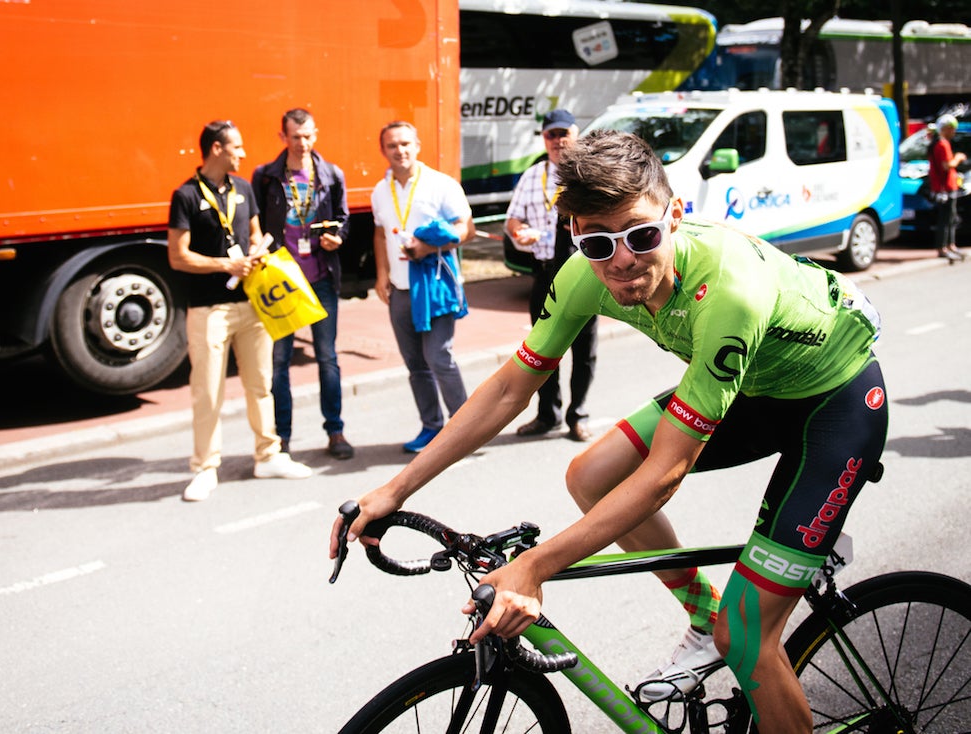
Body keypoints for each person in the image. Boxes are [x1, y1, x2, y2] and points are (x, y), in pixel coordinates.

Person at [333, 130, 888, 730]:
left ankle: (727, 631)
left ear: (674, 217)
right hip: (751, 390)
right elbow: (508, 389)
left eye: (641, 235)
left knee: (747, 638)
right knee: (590, 474)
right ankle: (702, 613)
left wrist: (535, 567)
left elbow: (661, 477)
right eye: (597, 242)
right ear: (576, 237)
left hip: (835, 404)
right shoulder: (583, 276)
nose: (621, 260)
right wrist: (395, 489)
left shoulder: (730, 289)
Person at [167, 120, 312, 503]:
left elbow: (251, 235)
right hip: (208, 308)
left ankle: (268, 455)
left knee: (260, 383)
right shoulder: (184, 196)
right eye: (236, 147)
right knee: (208, 389)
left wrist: (255, 252)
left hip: (251, 304)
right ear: (217, 148)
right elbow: (177, 257)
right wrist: (225, 265)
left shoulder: (244, 188)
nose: (242, 154)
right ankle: (204, 467)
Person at [252, 109, 354, 460]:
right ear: (283, 137)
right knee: (279, 362)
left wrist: (337, 237)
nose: (303, 143)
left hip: (322, 277)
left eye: (308, 136)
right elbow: (258, 224)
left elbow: (343, 219)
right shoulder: (266, 176)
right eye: (296, 137)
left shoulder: (331, 174)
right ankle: (282, 437)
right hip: (283, 282)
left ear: (316, 133)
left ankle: (335, 431)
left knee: (327, 358)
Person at [370, 121, 476, 453]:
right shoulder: (379, 190)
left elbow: (466, 229)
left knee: (438, 357)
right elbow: (379, 232)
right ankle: (432, 427)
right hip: (400, 289)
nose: (399, 151)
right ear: (383, 150)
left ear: (417, 145)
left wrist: (428, 248)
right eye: (392, 145)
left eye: (405, 144)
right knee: (415, 363)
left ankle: (465, 430)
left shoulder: (440, 185)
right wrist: (381, 273)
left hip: (435, 284)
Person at [505, 109, 597, 442]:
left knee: (583, 349)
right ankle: (548, 414)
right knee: (543, 347)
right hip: (543, 273)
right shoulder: (532, 177)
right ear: (544, 140)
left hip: (583, 274)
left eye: (563, 133)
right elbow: (512, 219)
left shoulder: (587, 176)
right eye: (550, 135)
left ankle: (579, 415)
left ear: (576, 134)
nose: (557, 141)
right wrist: (520, 231)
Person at [928, 114, 967, 262]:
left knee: (950, 218)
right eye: (953, 129)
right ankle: (943, 248)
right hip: (945, 188)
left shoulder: (938, 143)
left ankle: (951, 245)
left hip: (947, 186)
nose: (954, 132)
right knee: (945, 219)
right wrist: (958, 157)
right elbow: (946, 165)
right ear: (946, 128)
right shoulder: (942, 144)